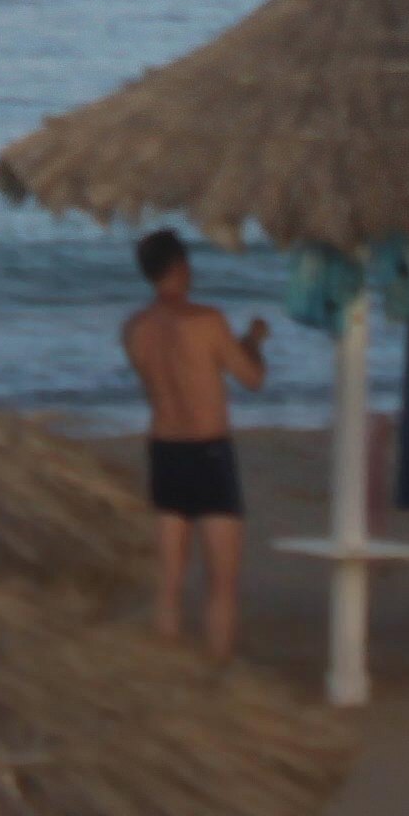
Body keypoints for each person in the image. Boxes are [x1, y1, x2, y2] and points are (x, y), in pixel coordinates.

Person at [120, 228, 266, 659]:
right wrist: (254, 340)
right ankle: (217, 665)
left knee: (169, 581)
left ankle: (169, 670)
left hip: (165, 449)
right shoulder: (207, 320)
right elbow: (252, 377)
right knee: (221, 582)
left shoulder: (134, 329)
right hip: (208, 451)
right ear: (182, 267)